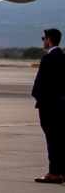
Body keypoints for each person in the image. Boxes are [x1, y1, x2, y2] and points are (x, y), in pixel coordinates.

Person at [32, 27, 65, 183]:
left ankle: (54, 172)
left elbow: (39, 83)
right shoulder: (63, 58)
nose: (43, 41)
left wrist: (37, 96)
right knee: (60, 139)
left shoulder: (48, 59)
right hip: (61, 104)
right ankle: (62, 171)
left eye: (44, 38)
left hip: (48, 105)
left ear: (49, 40)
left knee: (52, 139)